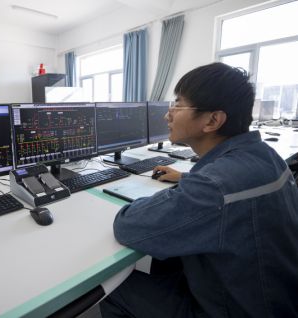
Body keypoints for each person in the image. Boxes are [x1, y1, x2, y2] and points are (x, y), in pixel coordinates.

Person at [100, 62, 298, 317]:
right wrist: (186, 178)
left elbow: (127, 225)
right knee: (169, 261)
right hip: (275, 298)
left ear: (212, 120)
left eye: (178, 105)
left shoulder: (214, 188)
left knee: (115, 289)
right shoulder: (266, 156)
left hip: (236, 310)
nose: (167, 115)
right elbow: (232, 190)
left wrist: (186, 191)